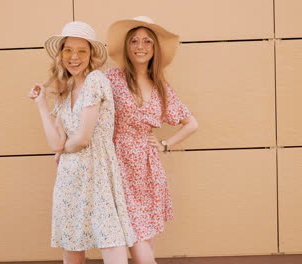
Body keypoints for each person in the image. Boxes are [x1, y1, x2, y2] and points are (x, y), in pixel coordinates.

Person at [28, 21, 136, 264]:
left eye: (81, 51)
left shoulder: (96, 80)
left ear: (91, 55)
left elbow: (82, 139)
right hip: (69, 178)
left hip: (98, 172)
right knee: (71, 242)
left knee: (110, 241)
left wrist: (65, 148)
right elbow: (56, 143)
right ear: (61, 54)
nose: (73, 57)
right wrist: (41, 105)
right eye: (68, 50)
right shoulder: (64, 91)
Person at [105, 16, 199, 263]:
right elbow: (89, 112)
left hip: (148, 169)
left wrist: (166, 144)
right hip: (117, 164)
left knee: (145, 236)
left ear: (155, 48)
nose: (140, 46)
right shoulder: (111, 79)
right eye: (134, 40)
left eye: (147, 41)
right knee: (135, 235)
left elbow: (191, 123)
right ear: (126, 46)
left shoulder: (161, 87)